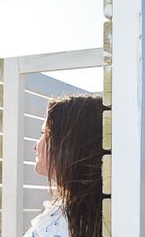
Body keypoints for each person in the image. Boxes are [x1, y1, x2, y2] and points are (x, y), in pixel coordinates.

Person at [26, 94, 105, 237]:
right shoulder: (93, 217)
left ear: (73, 145)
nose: (35, 146)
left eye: (45, 133)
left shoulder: (60, 226)